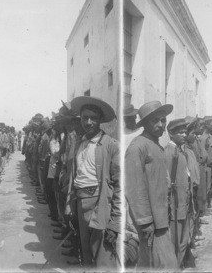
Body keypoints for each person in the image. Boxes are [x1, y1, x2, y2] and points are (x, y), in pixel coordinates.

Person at [68, 96, 121, 268]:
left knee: (104, 258)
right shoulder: (80, 143)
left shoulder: (111, 145)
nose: (88, 122)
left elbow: (119, 186)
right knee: (87, 255)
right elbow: (74, 176)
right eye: (85, 118)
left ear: (100, 121)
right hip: (80, 202)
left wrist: (115, 223)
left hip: (100, 203)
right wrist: (70, 203)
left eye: (93, 118)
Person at [125, 101, 178, 269]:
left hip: (161, 217)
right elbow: (134, 188)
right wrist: (145, 221)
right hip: (151, 221)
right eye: (154, 121)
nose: (160, 125)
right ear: (145, 123)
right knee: (167, 265)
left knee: (149, 264)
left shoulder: (156, 145)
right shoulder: (137, 147)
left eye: (163, 120)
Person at [165, 118, 198, 268]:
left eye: (185, 132)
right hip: (176, 205)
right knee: (176, 241)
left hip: (184, 203)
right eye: (180, 132)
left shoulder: (179, 150)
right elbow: (167, 182)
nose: (184, 135)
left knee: (183, 239)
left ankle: (179, 264)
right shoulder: (169, 152)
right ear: (171, 134)